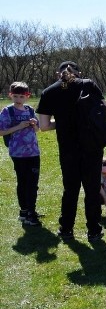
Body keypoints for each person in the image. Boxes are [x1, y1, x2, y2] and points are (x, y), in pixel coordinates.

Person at [36, 61, 106, 241]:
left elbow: (44, 126)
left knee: (70, 189)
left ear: (57, 74)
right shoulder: (88, 84)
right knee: (92, 188)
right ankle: (93, 230)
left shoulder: (49, 92)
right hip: (91, 145)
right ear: (78, 72)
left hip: (68, 147)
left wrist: (61, 122)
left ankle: (66, 229)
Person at [0, 81, 42, 226]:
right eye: (15, 96)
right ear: (10, 95)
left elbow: (37, 130)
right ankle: (25, 211)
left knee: (33, 183)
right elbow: (2, 131)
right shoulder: (7, 111)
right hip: (18, 153)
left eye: (22, 96)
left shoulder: (30, 110)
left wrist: (34, 124)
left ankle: (31, 210)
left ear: (27, 96)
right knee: (23, 182)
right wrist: (19, 126)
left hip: (33, 152)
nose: (18, 99)